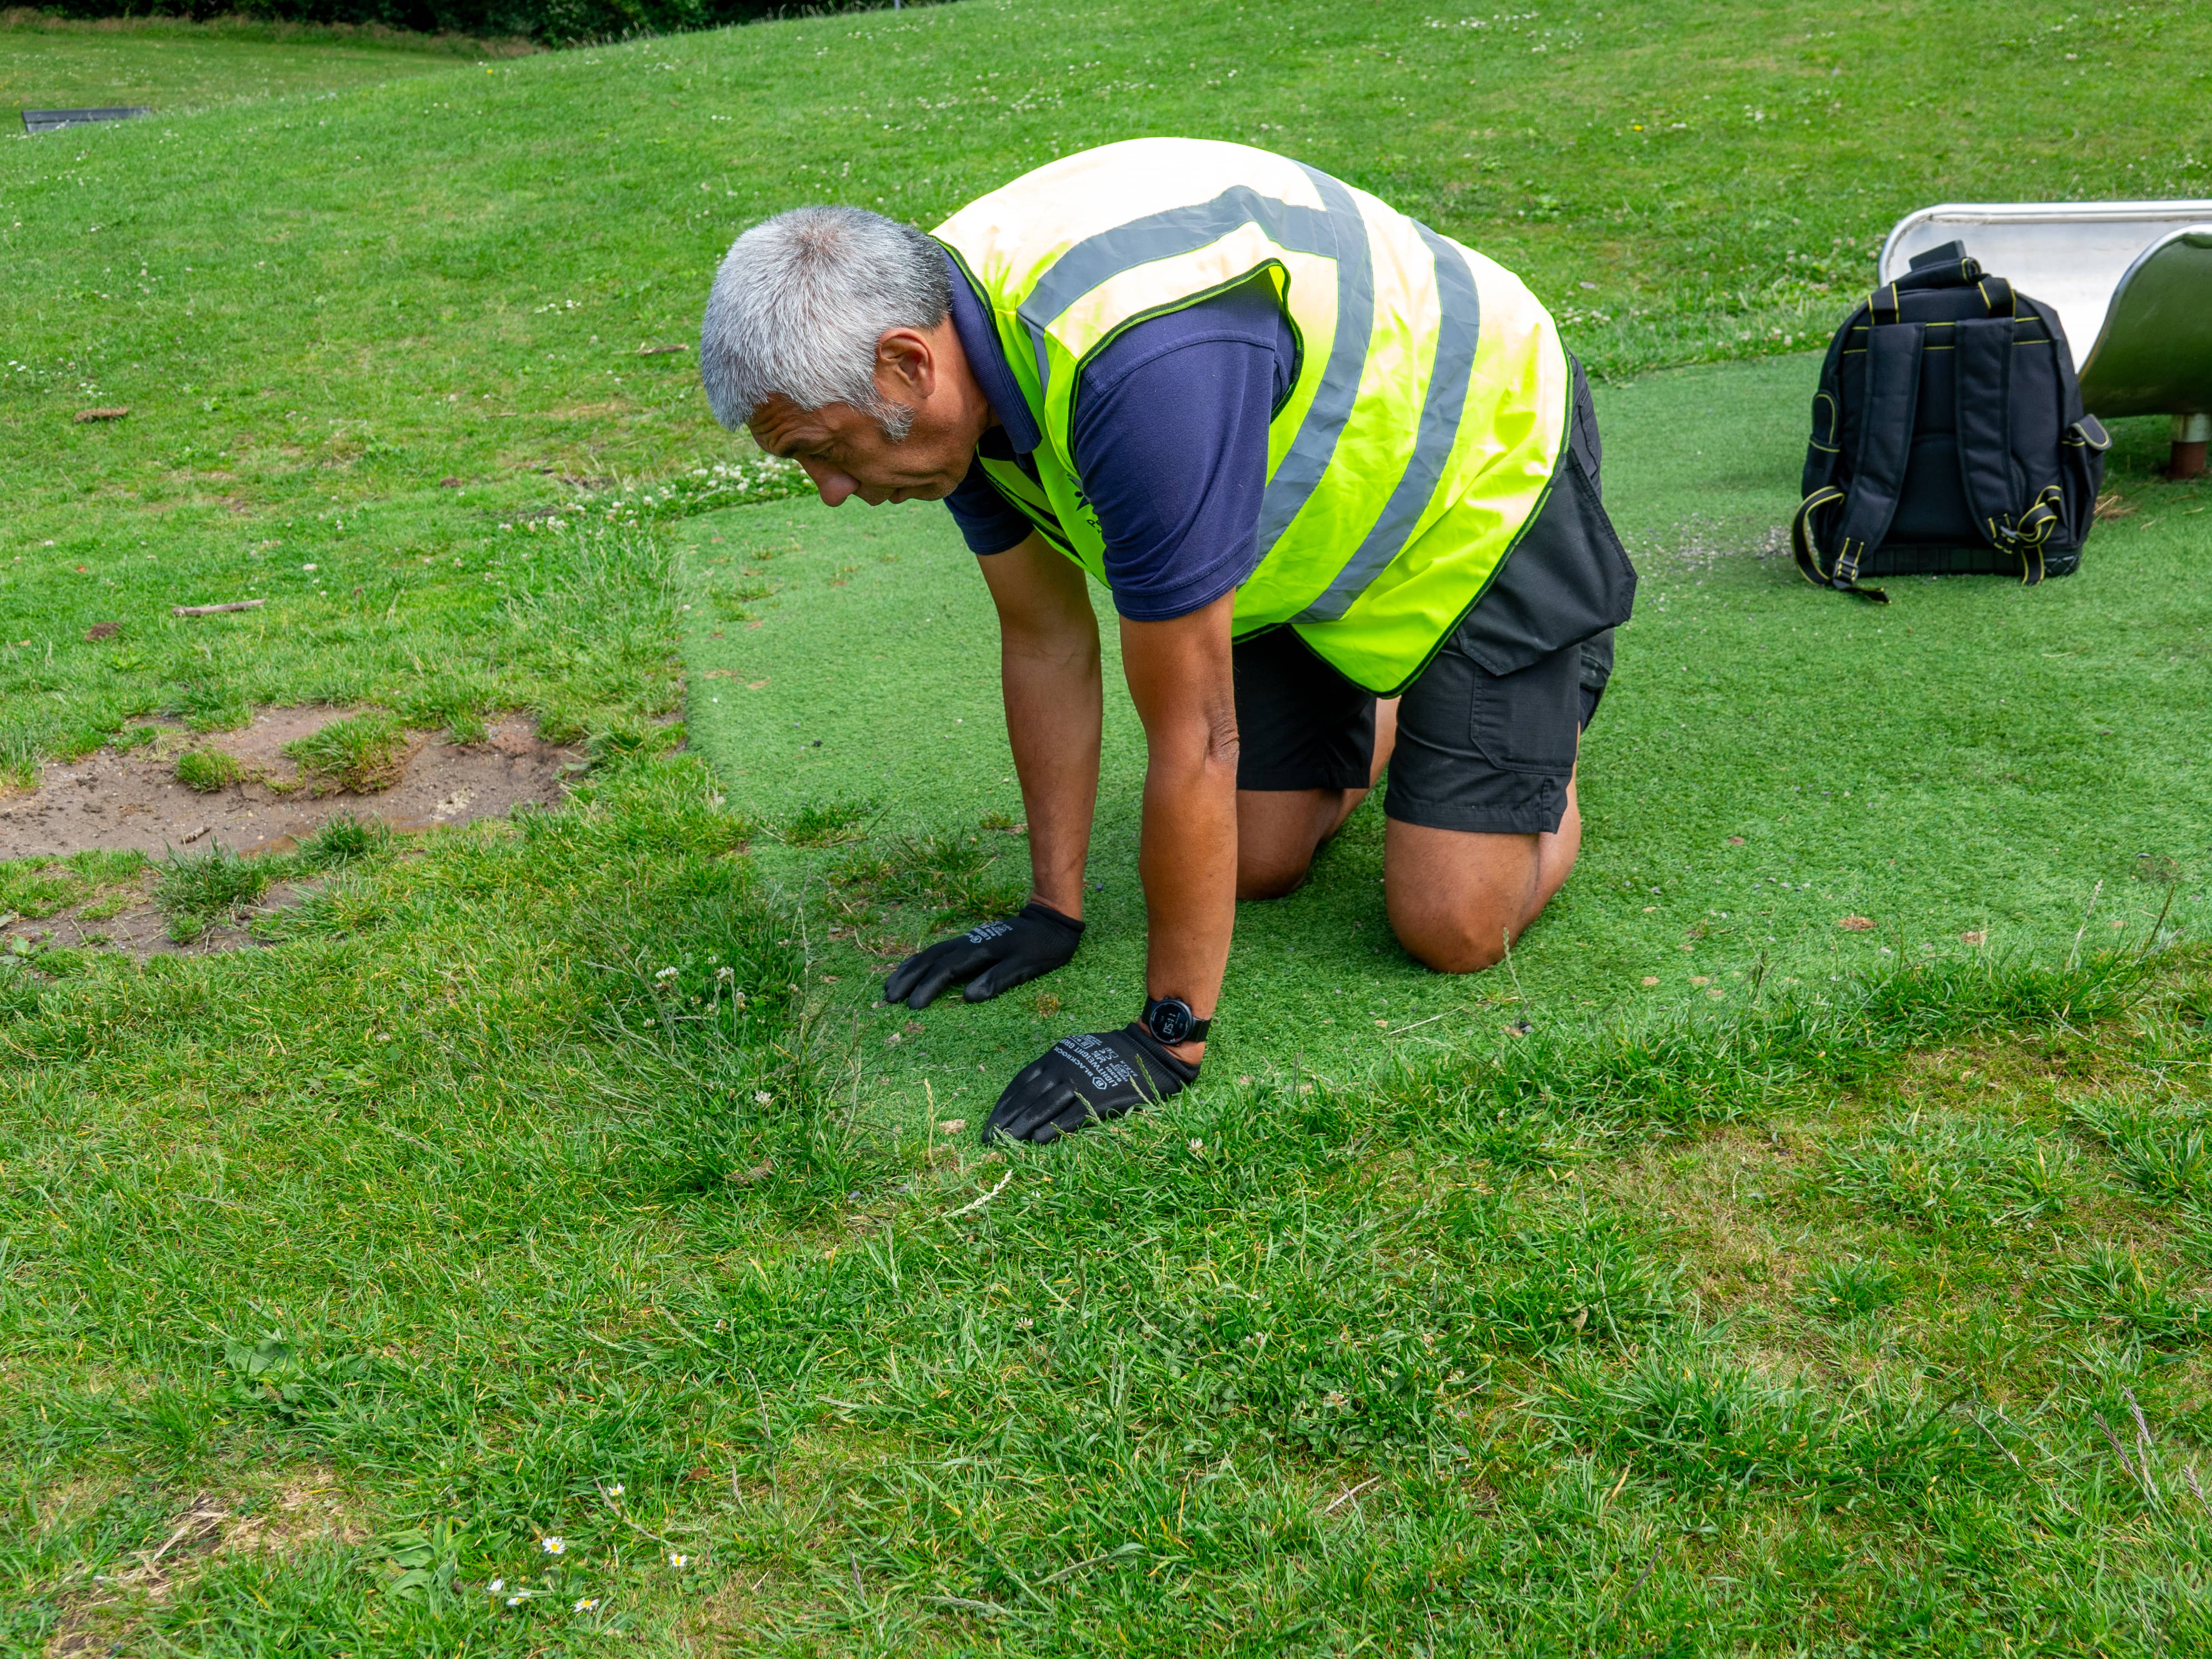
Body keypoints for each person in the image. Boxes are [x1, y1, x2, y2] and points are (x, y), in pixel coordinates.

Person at [699, 138, 1635, 1146]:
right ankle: (1403, 692)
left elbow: (1193, 738)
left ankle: (1545, 696)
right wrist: (1050, 911)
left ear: (907, 363)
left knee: (1453, 922)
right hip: (1292, 529)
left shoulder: (1139, 369)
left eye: (826, 452)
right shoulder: (939, 378)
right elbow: (1044, 636)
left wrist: (1166, 1036)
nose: (832, 490)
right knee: (1255, 863)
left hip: (1476, 473)